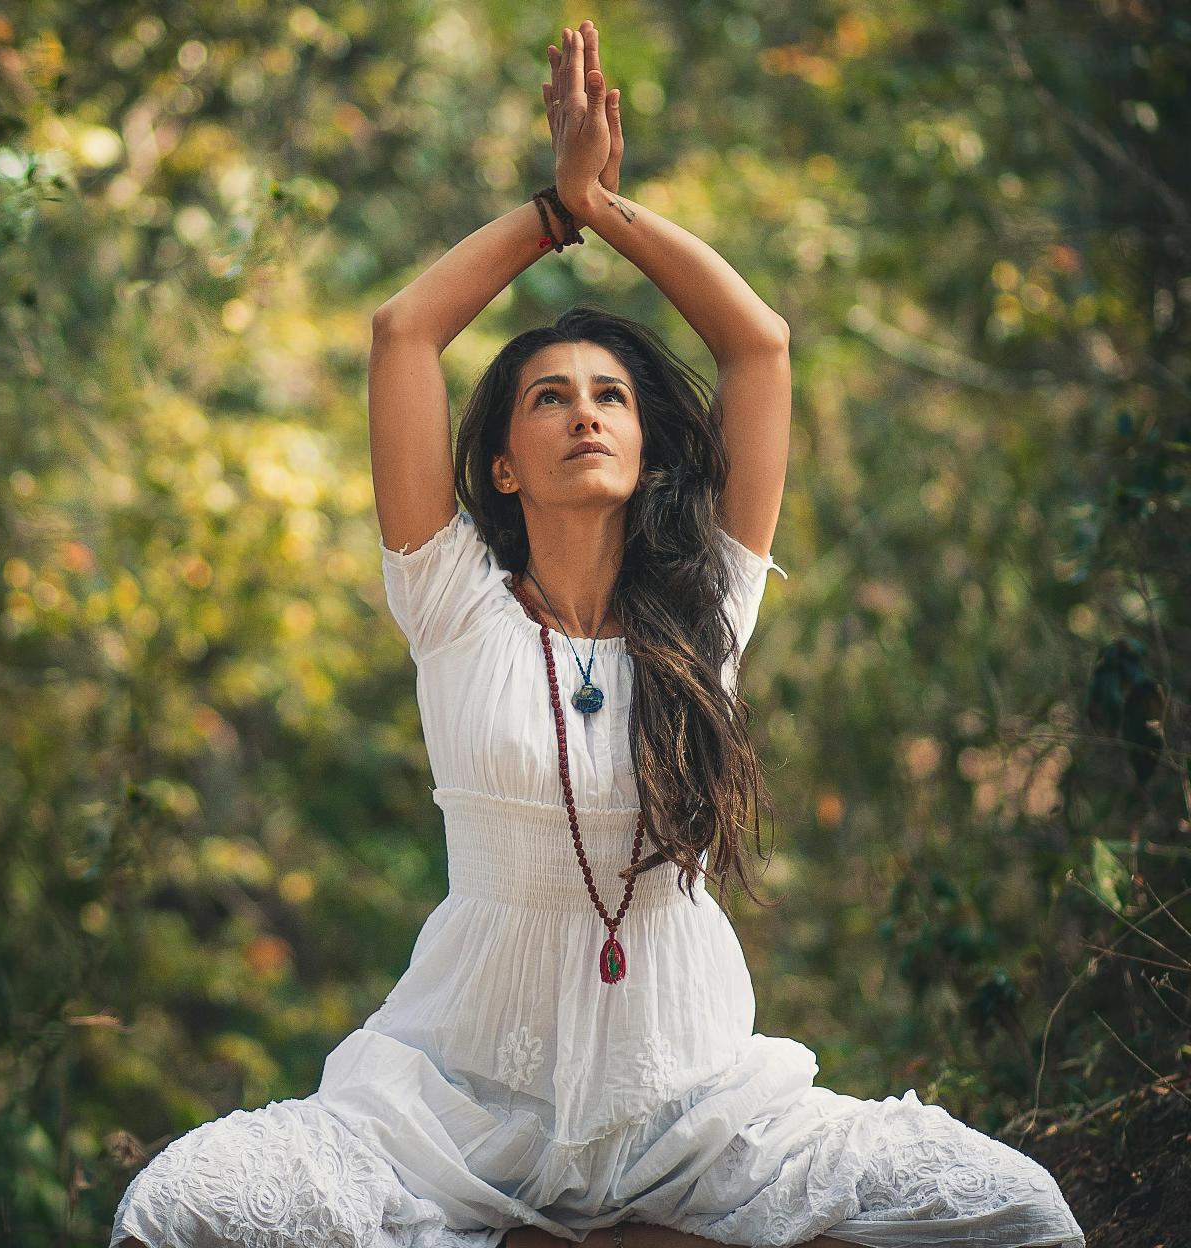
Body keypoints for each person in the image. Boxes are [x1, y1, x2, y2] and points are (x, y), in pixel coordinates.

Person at [110, 19, 1085, 1248]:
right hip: (456, 1107)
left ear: (646, 443)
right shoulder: (452, 602)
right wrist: (545, 215)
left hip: (692, 1109)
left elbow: (760, 344)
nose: (585, 414)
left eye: (612, 395)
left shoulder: (706, 606)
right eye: (550, 397)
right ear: (503, 465)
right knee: (181, 1211)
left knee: (1015, 1211)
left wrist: (605, 205)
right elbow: (404, 334)